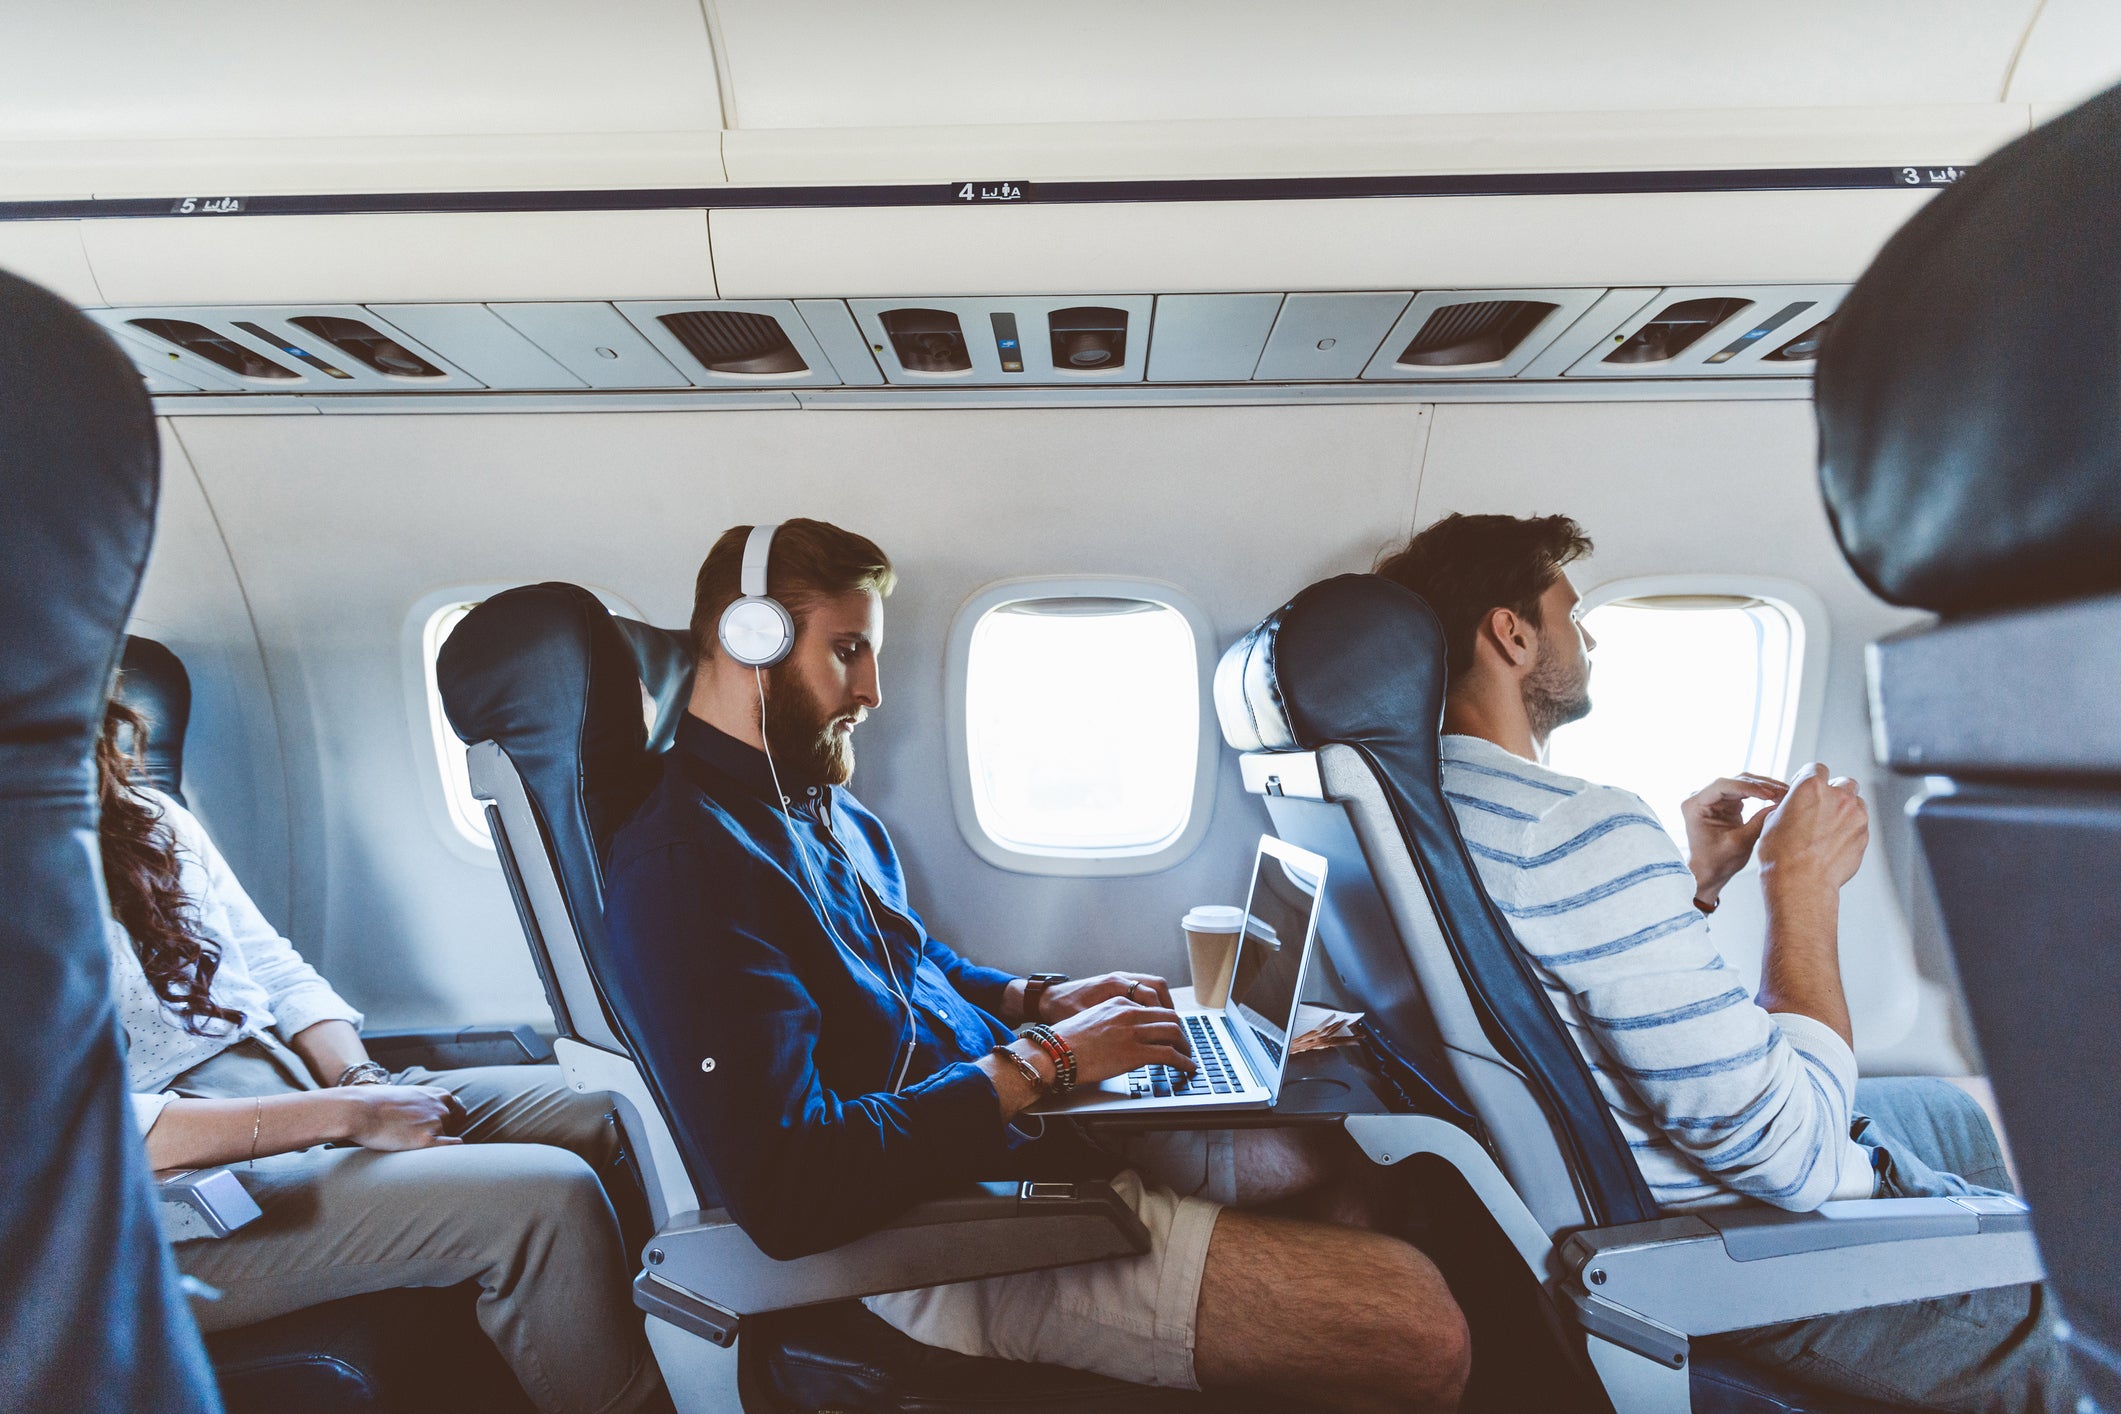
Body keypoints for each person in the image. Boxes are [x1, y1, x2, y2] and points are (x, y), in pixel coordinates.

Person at [605, 519, 1471, 1413]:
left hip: (998, 1135)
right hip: (919, 1235)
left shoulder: (825, 813)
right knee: (1418, 1325)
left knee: (1313, 1156)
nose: (870, 691)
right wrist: (1045, 1061)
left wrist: (1041, 998)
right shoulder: (688, 868)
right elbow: (794, 1187)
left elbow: (915, 966)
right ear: (748, 637)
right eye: (848, 651)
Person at [1373, 510, 2076, 1413]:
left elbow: (1578, 1003)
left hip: (1652, 1178)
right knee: (2081, 1315)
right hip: (1721, 1244)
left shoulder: (1427, 808)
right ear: (1510, 634)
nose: (1586, 640)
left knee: (1946, 1111)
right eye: (1570, 616)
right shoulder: (1576, 824)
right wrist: (1802, 885)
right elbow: (1796, 1162)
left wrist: (1694, 886)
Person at [97, 697, 669, 1414]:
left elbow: (276, 974)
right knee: (545, 1197)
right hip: (145, 1199)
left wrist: (361, 1081)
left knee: (618, 1106)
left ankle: (710, 1351)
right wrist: (346, 1114)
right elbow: (88, 1132)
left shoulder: (145, 818)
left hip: (295, 1081)